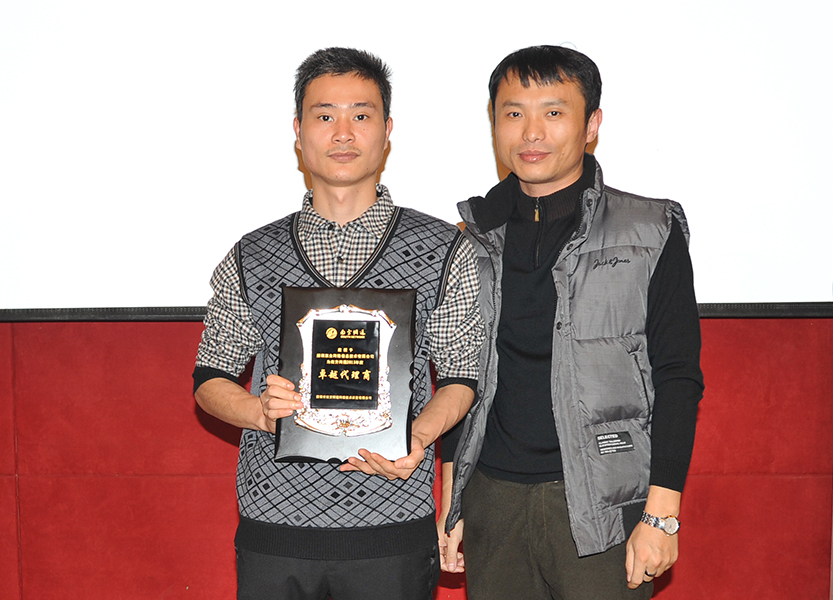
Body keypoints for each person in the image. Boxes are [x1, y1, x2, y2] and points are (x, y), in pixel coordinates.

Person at [193, 47, 484, 600]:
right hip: (275, 526)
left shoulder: (444, 250)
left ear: (387, 131)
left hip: (392, 526)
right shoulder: (252, 254)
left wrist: (419, 436)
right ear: (298, 132)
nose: (343, 133)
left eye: (361, 115)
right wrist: (258, 412)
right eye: (325, 115)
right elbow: (209, 379)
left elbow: (461, 377)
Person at [437, 45, 704, 599]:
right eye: (513, 113)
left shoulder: (650, 229)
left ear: (592, 125)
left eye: (553, 112)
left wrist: (661, 514)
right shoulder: (469, 239)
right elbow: (459, 374)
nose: (531, 132)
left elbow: (678, 376)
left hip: (605, 502)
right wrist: (453, 497)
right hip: (493, 497)